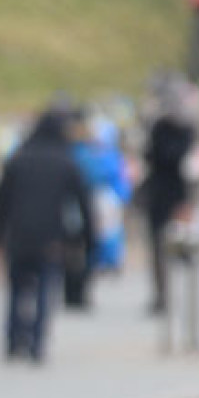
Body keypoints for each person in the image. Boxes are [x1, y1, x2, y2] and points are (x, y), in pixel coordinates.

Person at [0, 108, 93, 363]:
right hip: (52, 238)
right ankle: (37, 342)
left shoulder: (18, 158)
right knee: (46, 290)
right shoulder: (65, 161)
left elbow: (1, 200)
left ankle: (14, 339)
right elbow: (81, 202)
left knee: (17, 289)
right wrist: (86, 238)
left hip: (19, 235)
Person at [140, 81, 196, 315]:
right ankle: (162, 294)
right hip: (163, 192)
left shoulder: (182, 131)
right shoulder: (163, 128)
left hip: (173, 193)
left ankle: (167, 294)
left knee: (178, 245)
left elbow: (166, 156)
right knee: (158, 247)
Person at [68, 112, 131, 308]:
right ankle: (96, 271)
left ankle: (89, 277)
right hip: (94, 203)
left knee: (91, 241)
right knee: (93, 241)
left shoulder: (81, 154)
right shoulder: (94, 155)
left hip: (90, 204)